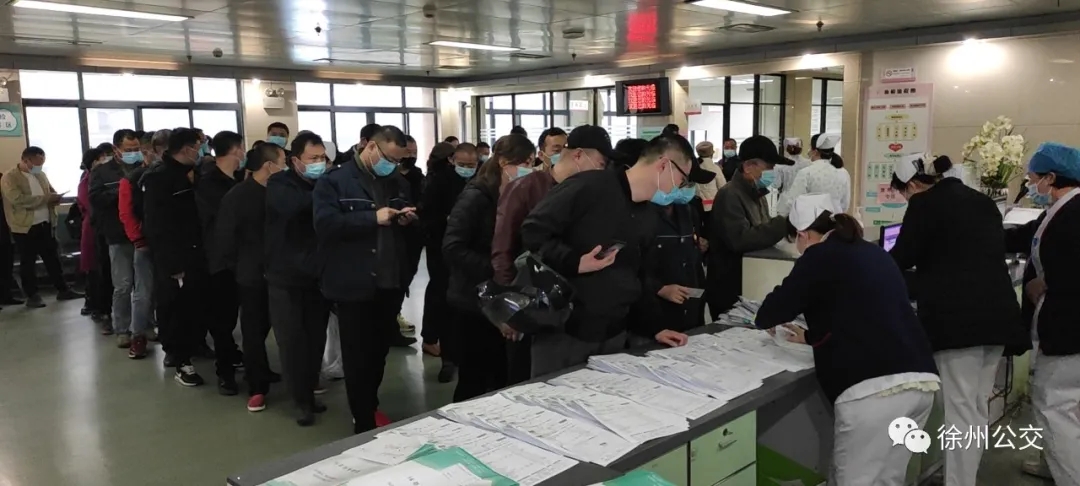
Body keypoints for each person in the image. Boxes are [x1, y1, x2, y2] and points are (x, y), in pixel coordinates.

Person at [754, 193, 940, 486]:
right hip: (920, 383)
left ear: (803, 234)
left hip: (873, 393)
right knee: (888, 481)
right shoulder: (871, 251)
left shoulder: (818, 255)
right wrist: (811, 336)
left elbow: (769, 313)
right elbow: (859, 310)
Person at [888, 153, 1029, 486]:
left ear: (912, 185)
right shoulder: (982, 201)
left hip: (958, 323)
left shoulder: (923, 204)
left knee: (960, 411)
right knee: (976, 407)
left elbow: (901, 257)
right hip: (997, 317)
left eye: (903, 193)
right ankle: (965, 477)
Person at [520, 134, 692, 377]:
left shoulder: (648, 214)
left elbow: (639, 276)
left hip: (613, 334)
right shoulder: (590, 186)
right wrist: (573, 262)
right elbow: (533, 230)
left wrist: (655, 327)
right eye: (682, 179)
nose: (679, 187)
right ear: (664, 165)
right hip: (564, 330)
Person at [313, 125, 419, 434]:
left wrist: (406, 218)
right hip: (353, 282)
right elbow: (325, 225)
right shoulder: (334, 181)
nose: (392, 165)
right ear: (370, 147)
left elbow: (403, 219)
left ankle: (370, 403)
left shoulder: (397, 181)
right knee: (357, 354)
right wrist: (371, 217)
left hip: (390, 280)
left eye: (398, 160)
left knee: (379, 351)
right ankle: (362, 417)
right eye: (389, 158)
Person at [493, 125, 614, 382]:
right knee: (525, 379)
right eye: (600, 164)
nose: (601, 171)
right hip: (530, 300)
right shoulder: (527, 187)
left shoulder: (589, 191)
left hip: (568, 309)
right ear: (578, 155)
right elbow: (503, 249)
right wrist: (509, 309)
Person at [1001, 142, 1080, 485]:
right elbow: (1027, 236)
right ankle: (1058, 463)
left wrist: (1047, 282)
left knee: (1054, 407)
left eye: (1033, 179)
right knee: (1068, 409)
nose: (1031, 186)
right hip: (1063, 323)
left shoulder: (1074, 213)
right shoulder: (1059, 210)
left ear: (1051, 177)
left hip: (1069, 329)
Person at [444, 134, 536, 402]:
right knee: (473, 376)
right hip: (472, 298)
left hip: (501, 295)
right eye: (525, 163)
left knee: (500, 374)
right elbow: (452, 247)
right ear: (504, 163)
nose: (529, 169)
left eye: (532, 163)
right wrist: (497, 267)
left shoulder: (515, 194)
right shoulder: (476, 196)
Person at [266, 132, 332, 426]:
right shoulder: (280, 184)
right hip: (286, 277)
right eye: (313, 158)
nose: (319, 163)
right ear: (295, 160)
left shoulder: (324, 184)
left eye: (322, 158)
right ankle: (300, 400)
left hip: (317, 275)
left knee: (316, 338)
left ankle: (310, 391)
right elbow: (295, 207)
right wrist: (327, 197)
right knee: (292, 341)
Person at [216, 142, 287, 412]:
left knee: (284, 327)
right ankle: (257, 386)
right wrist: (241, 267)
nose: (285, 167)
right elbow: (225, 238)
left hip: (282, 272)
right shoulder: (238, 196)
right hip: (252, 274)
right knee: (254, 331)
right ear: (269, 165)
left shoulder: (281, 192)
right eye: (282, 162)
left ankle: (294, 378)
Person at [141, 128, 210, 387]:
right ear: (186, 148)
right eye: (198, 147)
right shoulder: (159, 178)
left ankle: (196, 345)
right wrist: (172, 263)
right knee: (175, 308)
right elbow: (157, 225)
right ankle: (180, 359)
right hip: (174, 256)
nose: (200, 152)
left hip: (196, 252)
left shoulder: (194, 173)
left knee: (196, 306)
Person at [634, 147, 718, 344]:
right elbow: (630, 267)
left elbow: (694, 261)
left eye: (691, 184)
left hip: (689, 312)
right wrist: (659, 288)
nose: (687, 188)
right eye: (685, 181)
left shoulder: (687, 211)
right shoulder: (639, 213)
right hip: (653, 315)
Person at [705, 135, 789, 318]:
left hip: (749, 281)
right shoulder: (730, 195)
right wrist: (783, 224)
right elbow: (740, 239)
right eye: (768, 167)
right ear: (749, 166)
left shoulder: (757, 194)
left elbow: (762, 229)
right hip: (729, 287)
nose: (772, 173)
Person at [91, 129, 154, 354]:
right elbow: (95, 199)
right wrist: (122, 192)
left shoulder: (143, 169)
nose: (133, 153)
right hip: (117, 235)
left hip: (143, 233)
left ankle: (145, 325)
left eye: (136, 149)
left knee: (145, 286)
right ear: (116, 149)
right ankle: (122, 329)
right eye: (129, 150)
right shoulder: (102, 172)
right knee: (123, 284)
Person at [195, 130, 248, 395]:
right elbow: (219, 225)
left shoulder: (237, 180)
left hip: (244, 259)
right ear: (236, 150)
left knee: (248, 317)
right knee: (223, 321)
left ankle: (249, 365)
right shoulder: (208, 184)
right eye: (242, 148)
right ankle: (225, 372)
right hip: (220, 262)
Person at [419, 142, 476, 382]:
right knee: (445, 303)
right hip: (442, 251)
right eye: (462, 164)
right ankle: (448, 359)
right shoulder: (438, 182)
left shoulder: (481, 181)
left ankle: (467, 356)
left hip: (471, 254)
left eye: (471, 165)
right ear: (452, 160)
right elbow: (426, 217)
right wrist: (448, 220)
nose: (467, 169)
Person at [1, 146, 82, 309]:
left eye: (42, 163)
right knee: (28, 262)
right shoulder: (10, 177)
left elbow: (49, 191)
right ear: (26, 160)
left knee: (53, 259)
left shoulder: (41, 174)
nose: (40, 166)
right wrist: (46, 199)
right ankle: (32, 295)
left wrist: (56, 197)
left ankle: (63, 289)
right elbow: (18, 199)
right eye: (37, 163)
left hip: (46, 223)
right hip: (24, 227)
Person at [392, 135, 425, 345]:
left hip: (413, 236)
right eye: (408, 152)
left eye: (415, 152)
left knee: (406, 279)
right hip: (393, 236)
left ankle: (394, 320)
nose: (411, 156)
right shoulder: (389, 176)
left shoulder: (419, 176)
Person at [777, 134, 851, 217]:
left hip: (811, 221)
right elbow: (845, 204)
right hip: (836, 220)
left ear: (815, 151)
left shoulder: (807, 172)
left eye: (810, 147)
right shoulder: (843, 173)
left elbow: (792, 202)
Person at [694, 141, 727, 212]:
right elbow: (723, 188)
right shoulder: (715, 168)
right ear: (712, 153)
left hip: (696, 206)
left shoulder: (693, 167)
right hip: (712, 206)